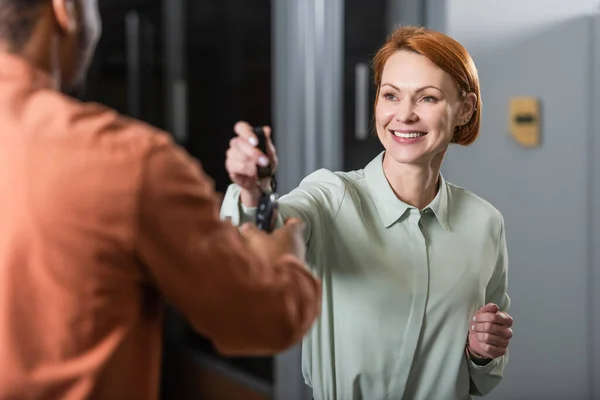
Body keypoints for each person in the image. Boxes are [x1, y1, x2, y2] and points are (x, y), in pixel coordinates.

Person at [0, 0, 322, 399]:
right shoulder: (127, 163)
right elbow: (268, 319)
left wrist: (252, 194)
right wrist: (285, 257)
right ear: (66, 9)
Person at [221, 26, 514, 399]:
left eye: (427, 98)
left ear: (464, 109)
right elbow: (268, 232)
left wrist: (481, 353)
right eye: (391, 95)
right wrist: (253, 192)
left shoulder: (485, 223)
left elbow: (483, 380)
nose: (403, 115)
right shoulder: (331, 196)